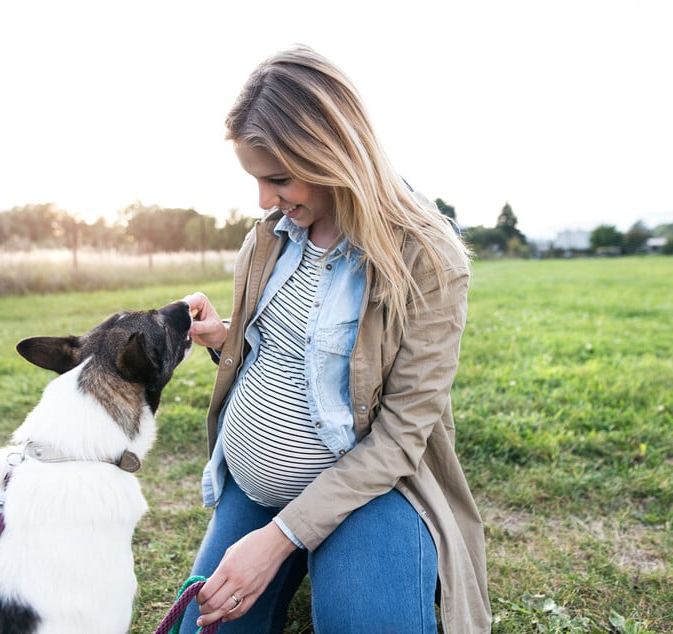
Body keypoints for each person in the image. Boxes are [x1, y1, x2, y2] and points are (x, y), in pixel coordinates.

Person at [179, 45, 491, 633]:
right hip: (252, 488)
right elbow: (283, 354)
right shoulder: (270, 235)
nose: (264, 201)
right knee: (199, 626)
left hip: (365, 492)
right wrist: (223, 337)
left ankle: (334, 558)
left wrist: (278, 539)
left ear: (332, 154)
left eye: (277, 179)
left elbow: (401, 434)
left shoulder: (428, 258)